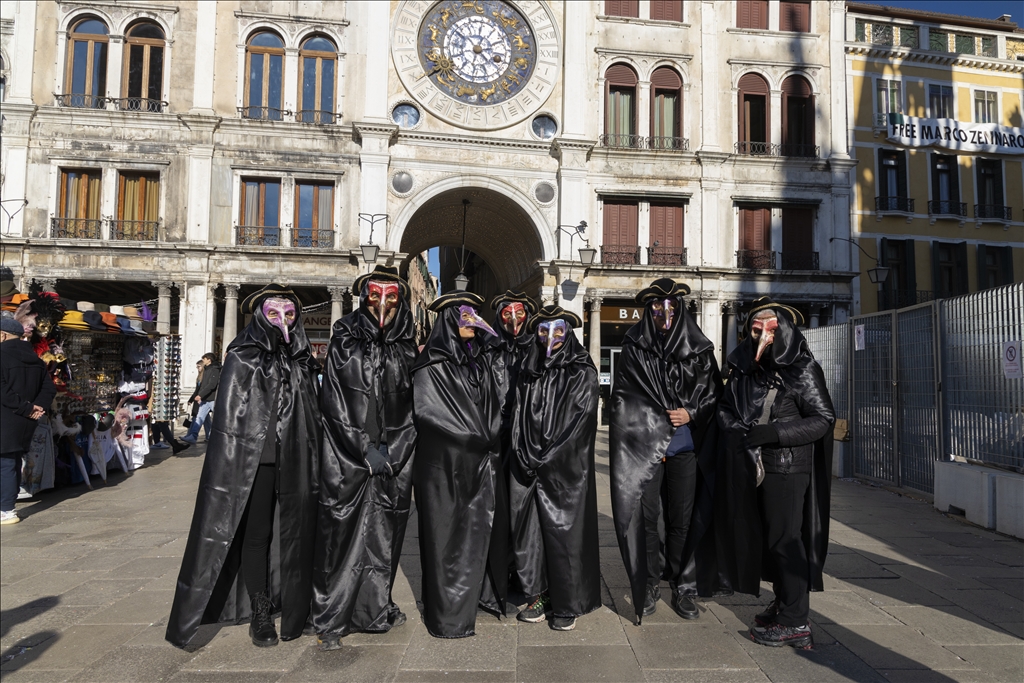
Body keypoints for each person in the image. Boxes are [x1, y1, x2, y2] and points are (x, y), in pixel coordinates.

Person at [167, 284, 321, 649]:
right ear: (260, 316)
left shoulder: (302, 358)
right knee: (257, 534)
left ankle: (302, 606)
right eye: (274, 314)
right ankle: (260, 609)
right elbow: (231, 417)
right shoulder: (242, 354)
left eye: (289, 314)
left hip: (299, 457)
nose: (283, 319)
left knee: (302, 529)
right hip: (257, 459)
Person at [716, 297, 834, 649]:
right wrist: (738, 429)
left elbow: (823, 419)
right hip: (754, 467)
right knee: (770, 541)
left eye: (771, 327)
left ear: (784, 329)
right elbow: (725, 408)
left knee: (786, 541)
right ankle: (785, 604)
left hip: (786, 469)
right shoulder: (746, 367)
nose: (763, 334)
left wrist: (776, 433)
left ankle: (796, 621)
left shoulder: (803, 368)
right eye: (756, 328)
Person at [312, 266, 418, 650]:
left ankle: (376, 607)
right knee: (343, 536)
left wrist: (395, 450)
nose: (384, 301)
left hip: (395, 457)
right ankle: (332, 617)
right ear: (364, 295)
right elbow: (336, 399)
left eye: (392, 295)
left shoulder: (407, 343)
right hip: (349, 454)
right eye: (377, 293)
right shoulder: (344, 337)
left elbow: (413, 405)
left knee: (387, 535)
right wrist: (362, 449)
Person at [609, 278, 722, 624]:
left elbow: (715, 395)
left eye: (670, 307)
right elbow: (623, 398)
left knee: (682, 520)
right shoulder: (633, 348)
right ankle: (650, 583)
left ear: (680, 310)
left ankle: (684, 585)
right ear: (649, 310)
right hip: (646, 451)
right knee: (647, 520)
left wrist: (692, 412)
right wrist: (646, 432)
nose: (664, 313)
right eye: (657, 307)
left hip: (685, 448)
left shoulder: (700, 350)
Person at [412, 291, 507, 638]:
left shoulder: (477, 360)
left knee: (474, 532)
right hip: (442, 468)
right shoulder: (431, 365)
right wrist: (478, 435)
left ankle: (473, 600)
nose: (472, 322)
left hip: (477, 464)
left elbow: (495, 403)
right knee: (444, 537)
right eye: (465, 316)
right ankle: (448, 616)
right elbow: (431, 414)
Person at [509, 305, 600, 631]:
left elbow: (579, 424)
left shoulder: (581, 371)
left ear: (568, 333)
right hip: (529, 467)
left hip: (565, 472)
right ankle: (539, 593)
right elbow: (518, 415)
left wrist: (548, 459)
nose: (550, 338)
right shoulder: (529, 368)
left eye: (557, 330)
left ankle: (567, 603)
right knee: (530, 535)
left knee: (565, 538)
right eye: (544, 331)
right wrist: (523, 453)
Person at [1, 315, 56, 525]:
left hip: (7, 415)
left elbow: (2, 390)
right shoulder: (35, 357)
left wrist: (27, 407)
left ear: (3, 335)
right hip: (24, 420)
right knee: (11, 463)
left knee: (7, 464)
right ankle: (7, 506)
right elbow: (48, 388)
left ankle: (6, 509)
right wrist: (36, 408)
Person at [180, 352, 219, 444]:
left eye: (204, 359)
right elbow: (202, 385)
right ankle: (193, 436)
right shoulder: (206, 369)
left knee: (219, 418)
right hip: (205, 399)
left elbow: (212, 385)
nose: (203, 361)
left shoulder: (215, 370)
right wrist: (200, 396)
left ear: (209, 360)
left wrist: (200, 394)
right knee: (199, 418)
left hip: (213, 399)